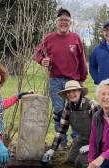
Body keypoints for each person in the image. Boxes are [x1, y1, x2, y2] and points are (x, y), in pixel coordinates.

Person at [34, 8, 88, 148]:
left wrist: (82, 77)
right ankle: (61, 143)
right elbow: (38, 53)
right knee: (58, 111)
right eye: (61, 20)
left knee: (76, 110)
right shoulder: (49, 38)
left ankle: (76, 141)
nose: (64, 23)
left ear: (70, 23)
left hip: (73, 81)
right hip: (56, 79)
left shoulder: (76, 38)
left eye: (66, 20)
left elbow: (81, 59)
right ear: (56, 23)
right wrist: (42, 60)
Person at [41, 80, 98, 168]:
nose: (71, 94)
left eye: (74, 91)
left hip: (99, 140)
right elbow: (61, 130)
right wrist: (52, 150)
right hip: (83, 139)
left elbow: (104, 129)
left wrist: (91, 146)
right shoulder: (68, 107)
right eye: (68, 92)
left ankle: (102, 161)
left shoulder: (91, 105)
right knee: (71, 160)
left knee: (80, 162)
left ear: (80, 92)